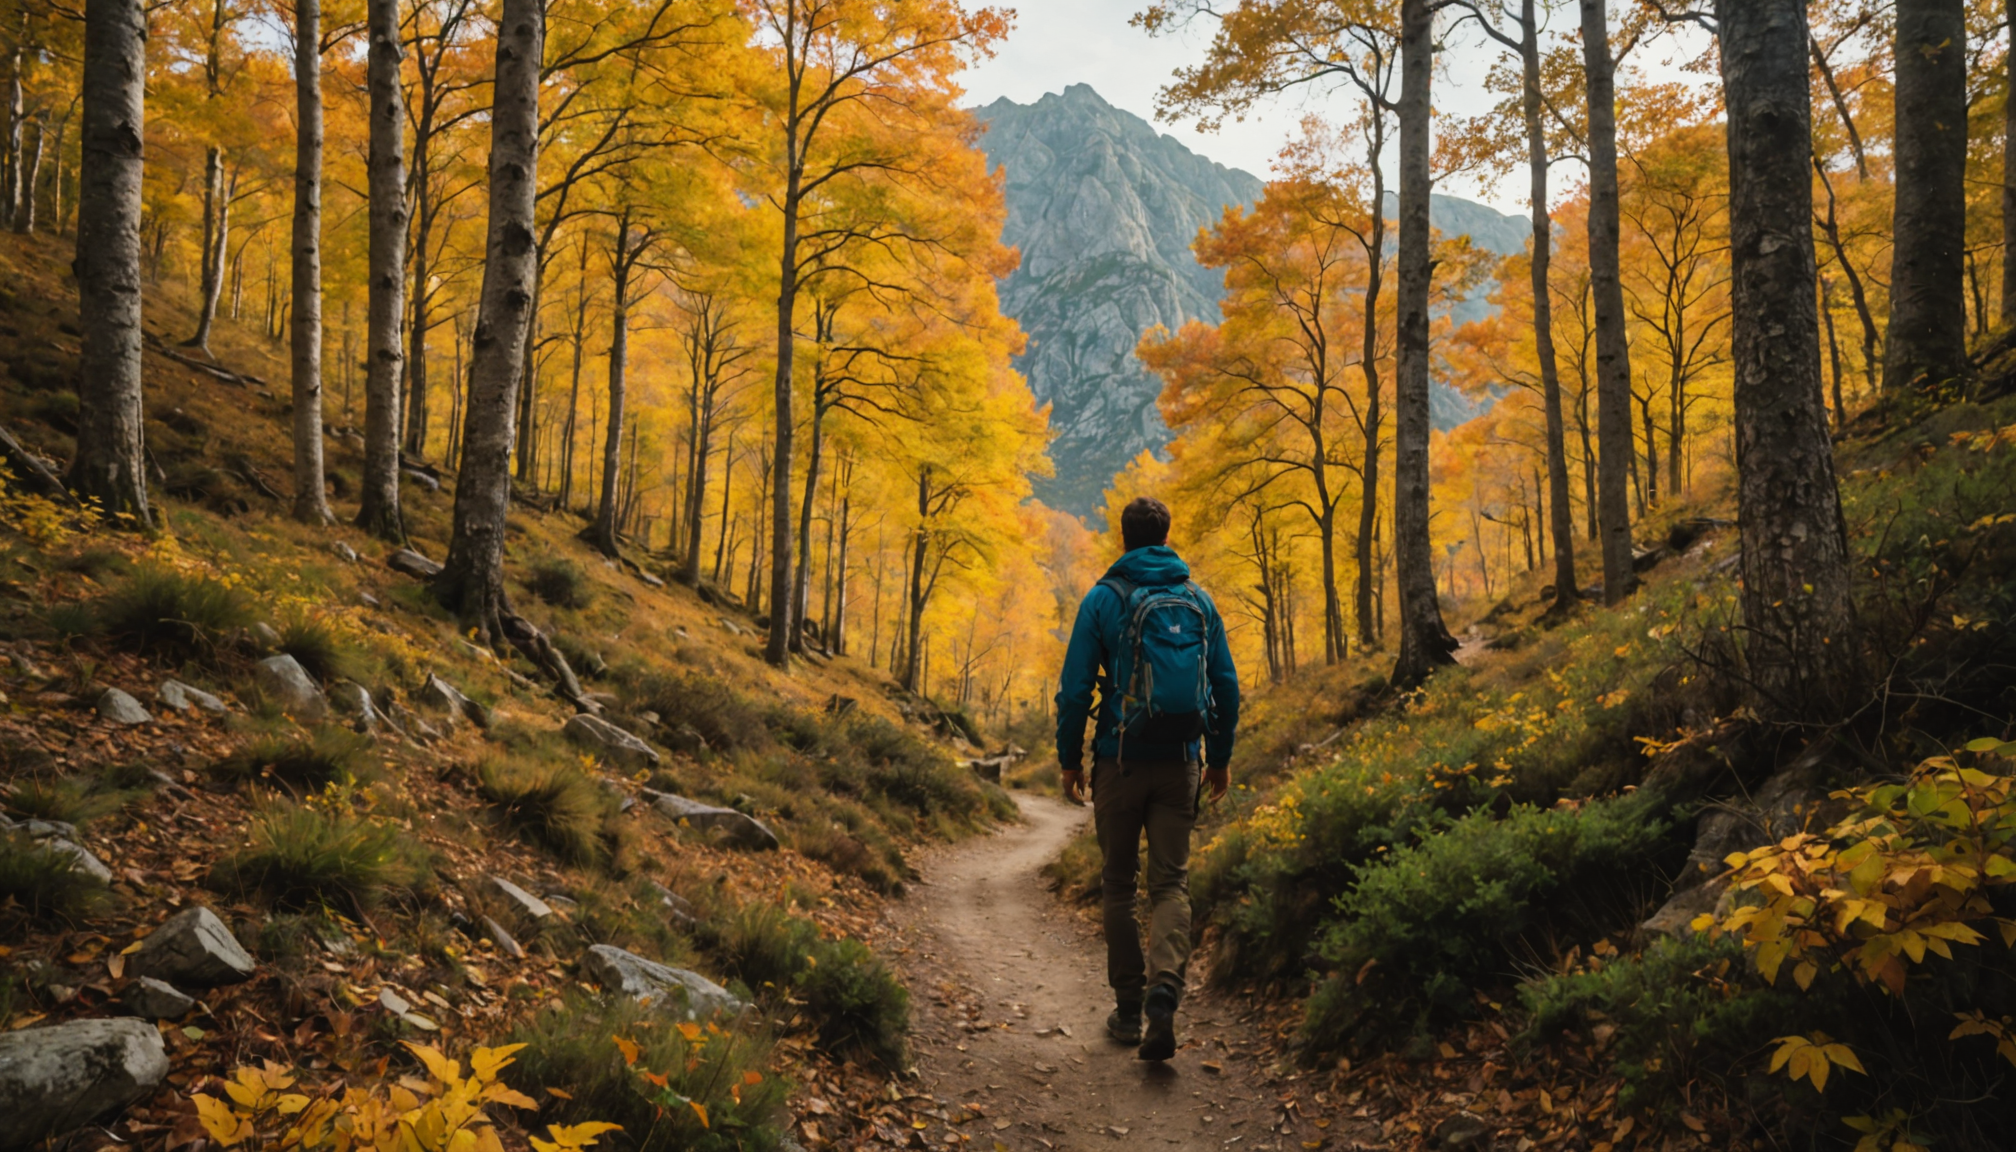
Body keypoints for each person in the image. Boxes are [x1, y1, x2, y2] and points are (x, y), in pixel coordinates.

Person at [1054, 496, 1240, 1061]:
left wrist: (1069, 759)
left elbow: (1074, 689)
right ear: (1166, 534)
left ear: (1123, 538)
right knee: (1171, 884)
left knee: (1117, 884)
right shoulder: (1199, 600)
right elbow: (1226, 685)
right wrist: (1219, 756)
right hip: (1182, 759)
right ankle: (1166, 992)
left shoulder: (1103, 598)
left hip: (1120, 759)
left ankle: (1130, 1010)